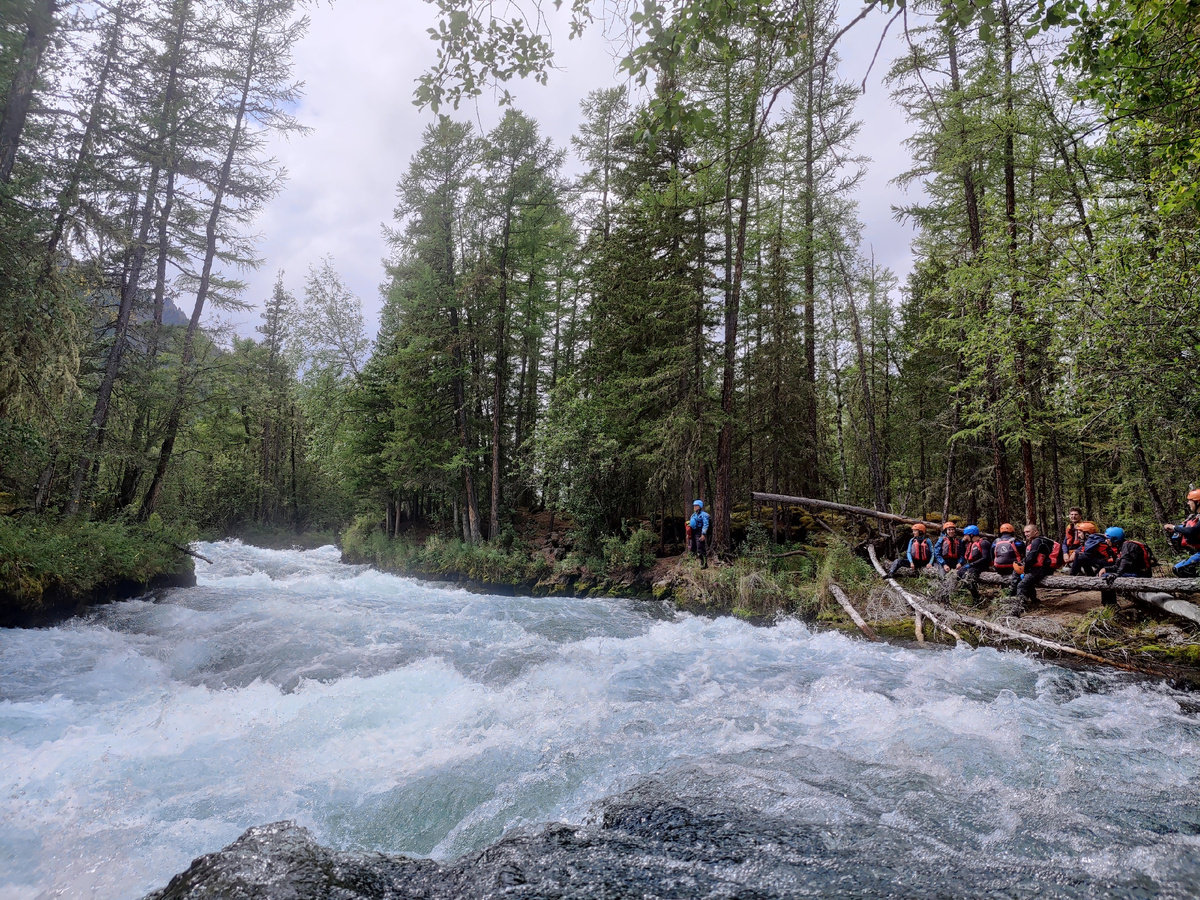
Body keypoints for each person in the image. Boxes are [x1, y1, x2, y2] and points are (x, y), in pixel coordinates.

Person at [1007, 523, 1057, 616]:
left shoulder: (1037, 541)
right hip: (1039, 568)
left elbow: (1032, 558)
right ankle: (1032, 600)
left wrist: (1024, 570)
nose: (1026, 534)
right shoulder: (1038, 540)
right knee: (1020, 577)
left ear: (1036, 532)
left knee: (1022, 585)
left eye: (1028, 531)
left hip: (1041, 569)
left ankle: (1018, 610)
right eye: (1025, 532)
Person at [1101, 526, 1156, 606]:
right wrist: (1106, 569)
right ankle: (1107, 604)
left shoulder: (1128, 547)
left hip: (1141, 575)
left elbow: (1124, 564)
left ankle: (1111, 605)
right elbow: (1118, 565)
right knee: (1106, 573)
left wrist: (1115, 574)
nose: (1106, 541)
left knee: (1106, 577)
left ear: (1114, 539)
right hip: (1135, 572)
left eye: (1108, 539)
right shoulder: (1122, 547)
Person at [1163, 488, 1200, 578]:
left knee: (1179, 569)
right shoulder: (1196, 516)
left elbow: (1193, 531)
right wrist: (1177, 529)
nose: (1188, 503)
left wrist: (1174, 527)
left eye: (1190, 501)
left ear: (1198, 502)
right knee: (1178, 568)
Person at [956, 525, 992, 602]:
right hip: (973, 565)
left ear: (971, 535)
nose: (965, 537)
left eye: (966, 535)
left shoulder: (984, 543)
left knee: (967, 578)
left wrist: (971, 565)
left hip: (981, 566)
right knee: (958, 573)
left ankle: (976, 599)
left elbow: (986, 558)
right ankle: (960, 595)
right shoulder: (970, 543)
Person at [686, 500, 710, 568]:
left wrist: (703, 534)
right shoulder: (693, 515)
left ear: (700, 506)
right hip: (693, 532)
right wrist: (688, 534)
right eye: (694, 506)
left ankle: (704, 564)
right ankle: (691, 563)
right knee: (692, 548)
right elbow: (690, 525)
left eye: (696, 506)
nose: (695, 507)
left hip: (699, 532)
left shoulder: (704, 515)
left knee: (700, 548)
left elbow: (705, 524)